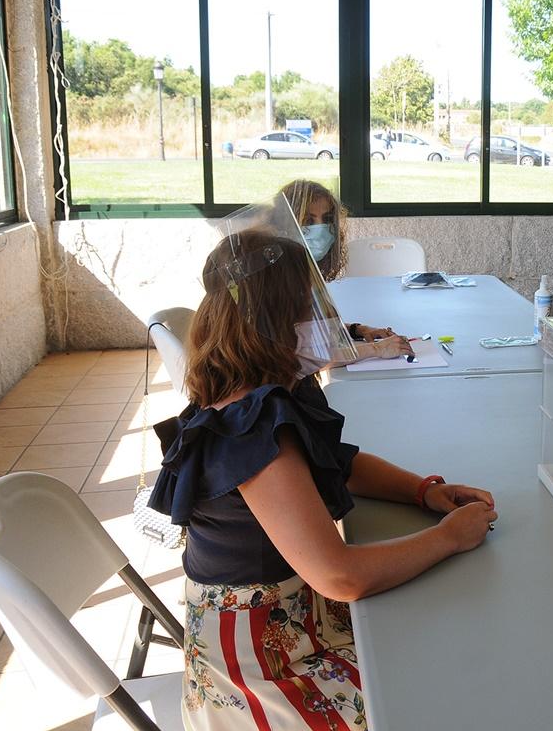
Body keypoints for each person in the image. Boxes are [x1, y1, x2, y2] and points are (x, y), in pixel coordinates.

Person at [149, 229, 497, 729]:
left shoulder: (272, 386)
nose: (327, 320)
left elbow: (339, 462)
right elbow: (341, 576)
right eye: (312, 307)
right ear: (277, 321)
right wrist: (447, 538)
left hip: (294, 619)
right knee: (432, 694)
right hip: (259, 664)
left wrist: (424, 490)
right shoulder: (250, 429)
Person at [280, 179, 409, 356]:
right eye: (308, 221)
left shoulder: (304, 268)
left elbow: (309, 331)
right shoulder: (277, 275)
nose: (321, 228)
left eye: (326, 219)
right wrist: (377, 349)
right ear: (286, 224)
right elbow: (307, 355)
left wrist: (358, 330)